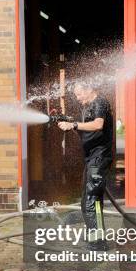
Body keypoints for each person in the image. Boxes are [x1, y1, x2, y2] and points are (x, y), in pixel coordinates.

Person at [58, 81, 114, 252]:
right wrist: (71, 126)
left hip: (99, 159)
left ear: (89, 89)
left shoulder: (99, 103)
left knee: (92, 201)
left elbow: (98, 125)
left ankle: (98, 242)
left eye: (79, 94)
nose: (77, 97)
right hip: (92, 160)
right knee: (88, 200)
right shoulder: (88, 107)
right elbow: (88, 131)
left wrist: (74, 125)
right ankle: (95, 237)